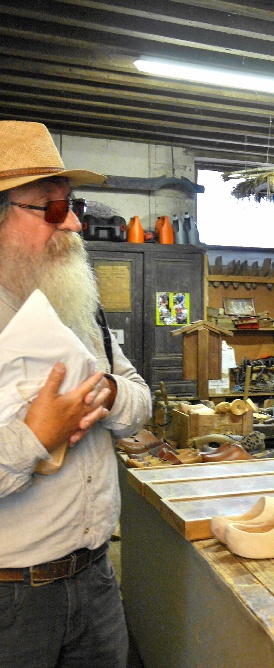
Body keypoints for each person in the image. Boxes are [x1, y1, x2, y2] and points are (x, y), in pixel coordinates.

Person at [0, 121, 152, 667]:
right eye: (51, 209)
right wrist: (34, 438)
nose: (74, 223)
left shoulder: (77, 306)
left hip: (94, 580)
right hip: (12, 601)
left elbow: (139, 401)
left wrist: (109, 393)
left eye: (73, 205)